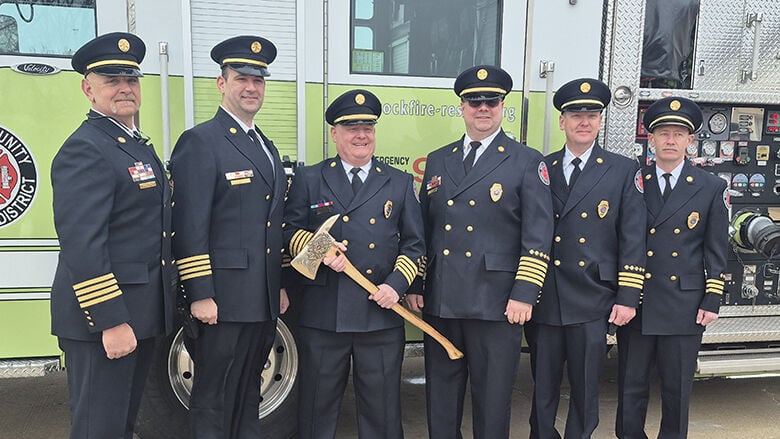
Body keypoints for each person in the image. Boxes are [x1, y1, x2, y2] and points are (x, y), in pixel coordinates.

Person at [405, 65, 554, 439]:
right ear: (462, 107)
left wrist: (524, 293)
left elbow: (539, 235)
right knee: (441, 398)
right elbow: (425, 229)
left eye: (491, 101)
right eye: (474, 101)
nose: (483, 108)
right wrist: (418, 284)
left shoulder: (525, 160)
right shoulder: (440, 159)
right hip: (442, 300)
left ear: (503, 106)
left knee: (491, 401)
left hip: (497, 303)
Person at [50, 32, 176, 439]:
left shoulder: (132, 145)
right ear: (88, 89)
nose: (124, 88)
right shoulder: (86, 149)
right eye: (111, 80)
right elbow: (82, 244)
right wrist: (111, 321)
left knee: (120, 426)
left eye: (131, 79)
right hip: (105, 322)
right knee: (98, 429)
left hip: (136, 316)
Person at [283, 89, 425, 439]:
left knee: (382, 412)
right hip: (322, 314)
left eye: (368, 127)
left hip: (379, 313)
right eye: (351, 127)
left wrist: (396, 285)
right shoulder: (310, 178)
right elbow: (287, 231)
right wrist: (319, 250)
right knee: (317, 408)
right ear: (335, 133)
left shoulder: (399, 181)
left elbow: (415, 243)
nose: (361, 135)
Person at [169, 35, 288, 438]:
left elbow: (271, 227)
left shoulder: (266, 146)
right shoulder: (201, 141)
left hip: (261, 300)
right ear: (221, 83)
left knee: (247, 395)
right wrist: (200, 292)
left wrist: (279, 287)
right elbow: (189, 225)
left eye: (258, 80)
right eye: (241, 78)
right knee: (213, 398)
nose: (251, 87)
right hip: (221, 299)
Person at [526, 78, 646, 439]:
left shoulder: (623, 170)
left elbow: (633, 237)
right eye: (575, 114)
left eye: (592, 114)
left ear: (600, 121)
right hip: (546, 296)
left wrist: (628, 297)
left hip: (593, 297)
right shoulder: (539, 167)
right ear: (561, 121)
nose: (584, 121)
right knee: (542, 384)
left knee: (584, 387)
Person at [615, 97, 728, 439]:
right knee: (631, 386)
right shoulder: (633, 181)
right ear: (650, 139)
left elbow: (716, 249)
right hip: (641, 301)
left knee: (676, 390)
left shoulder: (710, 187)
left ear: (690, 141)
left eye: (678, 134)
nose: (670, 140)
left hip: (684, 304)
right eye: (663, 133)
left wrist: (712, 300)